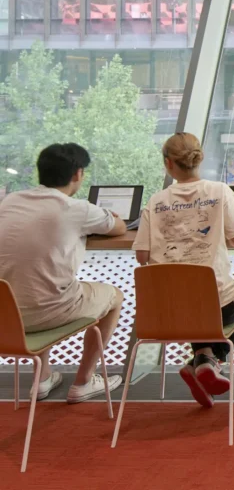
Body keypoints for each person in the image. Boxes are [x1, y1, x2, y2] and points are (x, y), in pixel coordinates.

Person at [133, 132, 234, 408]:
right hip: (214, 305)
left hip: (167, 309)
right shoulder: (220, 191)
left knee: (190, 297)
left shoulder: (155, 201)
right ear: (199, 158)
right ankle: (209, 360)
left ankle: (202, 359)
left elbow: (142, 256)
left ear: (168, 163)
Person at [0, 143, 126, 402]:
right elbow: (120, 227)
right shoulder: (77, 209)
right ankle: (84, 381)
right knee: (115, 296)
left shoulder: (10, 202)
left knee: (33, 280)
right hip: (48, 311)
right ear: (78, 174)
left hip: (6, 316)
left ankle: (42, 378)